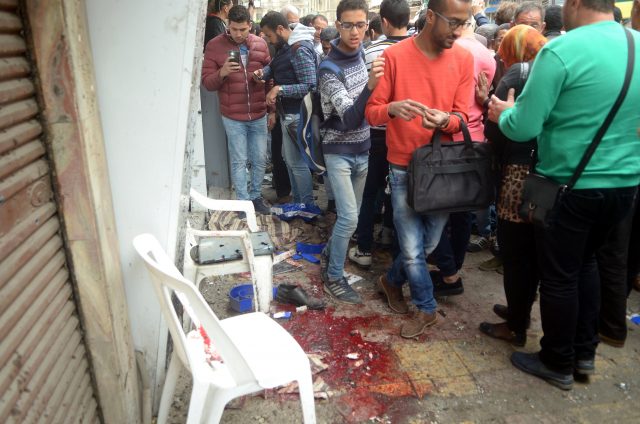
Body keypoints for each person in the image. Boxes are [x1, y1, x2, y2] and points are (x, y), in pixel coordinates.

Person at [489, 0, 640, 390]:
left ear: (574, 4)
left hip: (570, 186)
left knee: (559, 277)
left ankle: (557, 360)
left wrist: (502, 113)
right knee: (588, 265)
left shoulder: (562, 50)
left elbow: (523, 127)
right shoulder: (637, 43)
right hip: (624, 185)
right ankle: (584, 352)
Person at [366, 0, 475, 338]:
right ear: (430, 17)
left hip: (441, 168)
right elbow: (372, 112)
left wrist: (447, 120)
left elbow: (462, 117)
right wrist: (393, 108)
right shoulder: (395, 57)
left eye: (464, 23)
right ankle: (426, 309)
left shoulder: (464, 58)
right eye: (453, 23)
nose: (459, 31)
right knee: (412, 248)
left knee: (427, 245)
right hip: (402, 167)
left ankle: (390, 280)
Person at [479, 25, 547, 347]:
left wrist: (496, 114)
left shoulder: (516, 73)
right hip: (546, 172)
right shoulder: (552, 72)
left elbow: (493, 128)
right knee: (531, 249)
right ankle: (520, 310)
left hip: (517, 174)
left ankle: (516, 325)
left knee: (515, 250)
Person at [319, 0, 385, 304]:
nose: (355, 31)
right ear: (339, 24)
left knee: (354, 216)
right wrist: (371, 86)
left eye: (360, 25)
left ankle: (329, 254)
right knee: (347, 217)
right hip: (339, 149)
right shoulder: (329, 68)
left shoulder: (361, 54)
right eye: (348, 25)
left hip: (364, 148)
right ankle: (334, 276)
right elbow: (348, 118)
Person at [430, 10, 496, 296]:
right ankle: (453, 268)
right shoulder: (487, 55)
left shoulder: (449, 52)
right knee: (461, 213)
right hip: (476, 139)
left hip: (447, 138)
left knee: (431, 209)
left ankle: (448, 272)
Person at [349, 0, 412, 269]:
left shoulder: (371, 51)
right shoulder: (419, 51)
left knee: (370, 190)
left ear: (383, 22)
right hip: (407, 133)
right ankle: (392, 242)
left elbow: (365, 92)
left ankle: (364, 247)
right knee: (400, 192)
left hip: (375, 132)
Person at [201, 5, 273, 214]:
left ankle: (256, 197)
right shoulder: (215, 46)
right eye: (234, 29)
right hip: (232, 116)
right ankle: (242, 202)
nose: (239, 34)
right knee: (239, 160)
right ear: (228, 27)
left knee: (260, 159)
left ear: (250, 26)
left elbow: (271, 75)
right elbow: (207, 83)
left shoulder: (260, 44)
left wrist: (265, 83)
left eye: (243, 29)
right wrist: (222, 72)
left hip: (259, 112)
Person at [258, 12, 318, 207]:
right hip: (288, 114)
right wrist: (262, 73)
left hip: (298, 114)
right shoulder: (286, 47)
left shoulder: (299, 49)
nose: (266, 39)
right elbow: (277, 67)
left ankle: (306, 206)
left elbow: (310, 85)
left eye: (268, 35)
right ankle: (299, 203)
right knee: (291, 162)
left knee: (297, 164)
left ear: (281, 29)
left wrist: (280, 88)